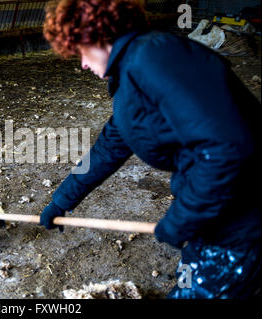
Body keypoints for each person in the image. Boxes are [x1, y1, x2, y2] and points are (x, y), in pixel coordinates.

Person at [39, 0, 261, 299]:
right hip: (216, 211)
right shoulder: (132, 73)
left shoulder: (157, 58)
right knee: (189, 279)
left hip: (244, 219)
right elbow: (108, 147)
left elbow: (227, 147)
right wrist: (62, 199)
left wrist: (183, 218)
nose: (82, 63)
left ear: (97, 34)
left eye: (80, 51)